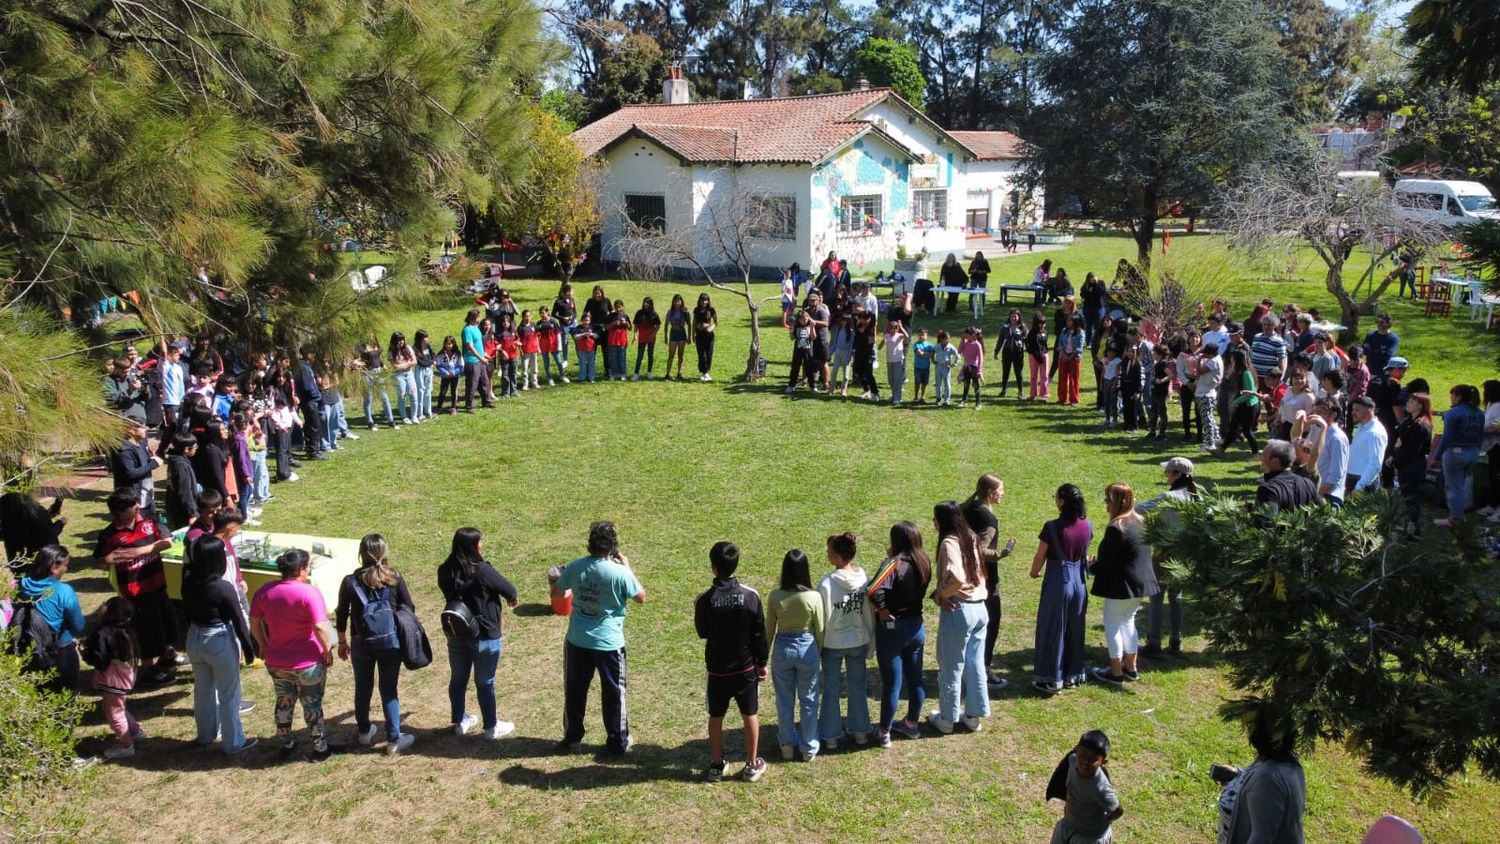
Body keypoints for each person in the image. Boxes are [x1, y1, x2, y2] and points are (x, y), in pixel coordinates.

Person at [552, 521, 645, 755]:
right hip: (609, 643)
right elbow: (641, 597)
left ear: (590, 543)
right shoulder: (620, 572)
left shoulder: (575, 567)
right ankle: (617, 741)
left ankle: (572, 738)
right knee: (614, 692)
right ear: (613, 546)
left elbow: (558, 592)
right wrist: (628, 567)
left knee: (574, 690)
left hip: (577, 641)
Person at [250, 548, 338, 761]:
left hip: (277, 661)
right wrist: (327, 651)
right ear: (300, 570)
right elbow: (320, 627)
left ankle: (286, 743)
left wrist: (263, 644)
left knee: (283, 700)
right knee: (312, 703)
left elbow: (254, 621)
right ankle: (320, 747)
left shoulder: (265, 591)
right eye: (307, 567)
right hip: (307, 662)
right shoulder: (308, 593)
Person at [694, 541, 769, 781]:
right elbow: (759, 633)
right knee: (750, 714)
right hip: (745, 667)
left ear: (713, 567)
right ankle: (751, 763)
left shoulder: (704, 600)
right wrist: (762, 662)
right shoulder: (750, 596)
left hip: (717, 670)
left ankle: (716, 764)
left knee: (716, 716)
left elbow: (702, 631)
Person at [337, 534, 417, 754]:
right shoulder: (394, 578)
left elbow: (342, 612)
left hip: (360, 641)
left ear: (361, 554)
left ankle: (364, 731)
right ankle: (393, 739)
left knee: (363, 687)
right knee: (388, 689)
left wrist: (342, 641)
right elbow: (408, 606)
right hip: (390, 641)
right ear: (384, 552)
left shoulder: (350, 582)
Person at [439, 527, 519, 740]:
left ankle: (460, 720)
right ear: (473, 545)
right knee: (485, 681)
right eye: (480, 541)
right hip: (484, 634)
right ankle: (491, 727)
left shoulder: (444, 570)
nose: (482, 544)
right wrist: (511, 601)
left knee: (458, 678)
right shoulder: (482, 570)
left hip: (456, 632)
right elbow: (510, 591)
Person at [93, 489, 179, 685]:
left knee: (168, 623)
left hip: (158, 584)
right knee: (146, 632)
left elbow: (167, 541)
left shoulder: (148, 521)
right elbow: (97, 561)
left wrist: (140, 551)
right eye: (133, 506)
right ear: (119, 512)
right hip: (136, 593)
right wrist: (107, 560)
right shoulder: (110, 535)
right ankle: (148, 671)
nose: (138, 507)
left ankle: (167, 656)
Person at [182, 535, 258, 755]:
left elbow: (186, 611)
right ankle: (234, 742)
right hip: (218, 639)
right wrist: (249, 648)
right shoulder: (222, 587)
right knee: (229, 693)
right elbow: (238, 620)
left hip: (195, 636)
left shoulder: (189, 581)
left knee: (203, 690)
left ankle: (205, 735)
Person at [927, 501, 990, 735]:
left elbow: (957, 577)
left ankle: (947, 718)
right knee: (975, 664)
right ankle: (973, 716)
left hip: (959, 610)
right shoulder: (970, 537)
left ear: (942, 521)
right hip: (980, 608)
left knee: (951, 664)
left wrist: (940, 594)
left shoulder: (948, 542)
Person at [866, 521, 931, 747]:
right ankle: (911, 723)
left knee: (892, 683)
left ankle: (884, 731)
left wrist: (883, 610)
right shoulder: (923, 561)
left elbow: (873, 590)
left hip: (893, 630)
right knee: (915, 679)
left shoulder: (894, 564)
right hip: (916, 627)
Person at [811, 532, 874, 752]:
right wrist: (870, 637)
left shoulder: (826, 584)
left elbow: (821, 618)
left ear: (837, 556)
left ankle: (830, 735)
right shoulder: (863, 579)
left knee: (830, 687)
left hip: (832, 643)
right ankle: (860, 732)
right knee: (858, 685)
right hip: (857, 639)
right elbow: (868, 612)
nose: (827, 555)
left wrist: (818, 643)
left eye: (829, 552)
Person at [1090, 484, 1159, 685]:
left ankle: (1116, 672)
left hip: (1121, 586)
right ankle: (1131, 667)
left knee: (1112, 625)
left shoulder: (1116, 528)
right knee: (1128, 622)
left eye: (1108, 500)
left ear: (1117, 502)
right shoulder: (1141, 522)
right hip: (1140, 584)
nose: (1106, 504)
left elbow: (1106, 562)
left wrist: (1090, 566)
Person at [1030, 484, 1092, 695]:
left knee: (1052, 629)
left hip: (1059, 581)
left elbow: (1040, 556)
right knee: (1075, 629)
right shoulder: (1087, 526)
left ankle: (1051, 677)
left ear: (1062, 501)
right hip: (1080, 582)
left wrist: (1033, 572)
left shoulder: (1052, 527)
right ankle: (1072, 675)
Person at [764, 548, 825, 762]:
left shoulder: (775, 596)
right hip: (807, 647)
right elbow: (820, 629)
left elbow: (769, 629)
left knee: (784, 700)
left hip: (782, 648)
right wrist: (820, 652)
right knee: (809, 699)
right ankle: (808, 747)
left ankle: (787, 745)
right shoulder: (813, 596)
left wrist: (762, 658)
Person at [1215, 709, 1306, 844]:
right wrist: (1237, 776)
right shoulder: (1288, 762)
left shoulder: (1269, 778)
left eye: (1252, 726)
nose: (1249, 728)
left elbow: (1262, 837)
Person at [14, 545, 86, 692]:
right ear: (54, 567)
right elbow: (79, 625)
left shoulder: (19, 585)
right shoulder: (63, 591)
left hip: (28, 651)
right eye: (65, 565)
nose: (66, 569)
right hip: (59, 651)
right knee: (64, 696)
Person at [85, 597, 143, 759]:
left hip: (112, 681)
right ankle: (135, 731)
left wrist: (84, 652)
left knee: (114, 713)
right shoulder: (127, 631)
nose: (101, 606)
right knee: (119, 707)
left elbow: (97, 657)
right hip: (124, 679)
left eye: (106, 604)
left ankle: (126, 745)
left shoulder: (105, 634)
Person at [1047, 730, 1123, 844]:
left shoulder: (1101, 788)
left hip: (1089, 836)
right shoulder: (1072, 760)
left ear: (1103, 762)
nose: (1085, 762)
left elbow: (1118, 811)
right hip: (1069, 824)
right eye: (1082, 754)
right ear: (1076, 750)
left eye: (1093, 759)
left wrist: (1104, 822)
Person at [1432, 384, 1485, 527]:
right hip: (1473, 452)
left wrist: (1437, 456)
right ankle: (1460, 513)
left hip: (1455, 454)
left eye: (1452, 395)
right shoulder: (1479, 413)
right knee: (1462, 485)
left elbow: (1447, 437)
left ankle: (1455, 518)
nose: (1451, 398)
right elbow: (1481, 435)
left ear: (1459, 396)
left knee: (1454, 487)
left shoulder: (1453, 413)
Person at [1389, 393, 1433, 534]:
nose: (1408, 403)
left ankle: (1413, 529)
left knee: (1411, 497)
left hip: (1412, 465)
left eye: (1412, 401)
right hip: (1408, 463)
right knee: (1408, 497)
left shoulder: (1419, 425)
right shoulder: (1410, 421)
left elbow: (1410, 450)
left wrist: (1395, 459)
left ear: (1420, 405)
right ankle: (1409, 525)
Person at [1255, 440, 1318, 522]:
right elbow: (1324, 509)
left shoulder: (1268, 490)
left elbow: (1266, 524)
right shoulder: (1308, 484)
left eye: (1263, 455)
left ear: (1275, 462)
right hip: (1303, 534)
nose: (1261, 458)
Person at [1217, 349, 1261, 456]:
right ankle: (1221, 450)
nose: (1231, 361)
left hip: (1249, 406)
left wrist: (1234, 402)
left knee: (1246, 431)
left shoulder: (1246, 373)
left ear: (1237, 360)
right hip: (1243, 405)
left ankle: (1255, 453)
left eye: (1232, 359)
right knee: (1232, 427)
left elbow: (1250, 393)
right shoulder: (1241, 372)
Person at [1346, 396, 1389, 496]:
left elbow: (1375, 464)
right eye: (1353, 409)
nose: (1353, 413)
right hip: (1354, 480)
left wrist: (1359, 487)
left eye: (1357, 410)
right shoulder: (1363, 427)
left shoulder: (1374, 433)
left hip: (1362, 483)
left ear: (1369, 410)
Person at [461, 309, 494, 411]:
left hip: (480, 360)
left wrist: (485, 355)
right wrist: (481, 358)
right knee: (472, 384)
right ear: (474, 318)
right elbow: (470, 347)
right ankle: (469, 406)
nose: (480, 318)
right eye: (479, 317)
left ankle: (486, 401)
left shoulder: (476, 328)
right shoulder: (467, 330)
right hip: (472, 361)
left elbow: (478, 345)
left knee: (484, 381)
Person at [995, 309, 1027, 397]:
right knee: (1005, 371)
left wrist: (1029, 350)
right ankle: (1003, 390)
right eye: (1012, 316)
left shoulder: (1023, 327)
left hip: (1018, 353)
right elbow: (1000, 340)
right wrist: (996, 351)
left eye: (1015, 316)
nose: (1013, 318)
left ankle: (1020, 392)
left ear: (1019, 317)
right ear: (1009, 317)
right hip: (1007, 352)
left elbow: (1027, 340)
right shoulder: (1005, 327)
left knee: (1018, 372)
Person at [388, 332, 418, 425]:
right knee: (401, 396)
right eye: (398, 340)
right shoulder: (391, 352)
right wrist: (407, 364)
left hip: (409, 374)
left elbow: (415, 361)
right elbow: (395, 366)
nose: (401, 342)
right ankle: (404, 417)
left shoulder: (408, 348)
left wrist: (404, 365)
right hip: (399, 376)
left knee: (413, 395)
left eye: (402, 340)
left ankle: (414, 416)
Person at [1481, 380, 1500, 522]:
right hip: (1491, 446)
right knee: (1492, 476)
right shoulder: (1491, 406)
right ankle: (1492, 504)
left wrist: (1485, 431)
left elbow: (1498, 426)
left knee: (1497, 477)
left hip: (1497, 445)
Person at [880, 319, 910, 406]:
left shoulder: (899, 335)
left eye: (895, 328)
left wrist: (901, 327)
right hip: (889, 361)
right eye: (891, 328)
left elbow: (907, 336)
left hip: (898, 360)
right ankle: (894, 395)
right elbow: (879, 347)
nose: (893, 330)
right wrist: (882, 342)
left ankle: (897, 398)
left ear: (897, 329)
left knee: (897, 380)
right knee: (891, 379)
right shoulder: (887, 336)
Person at [852, 312, 880, 401]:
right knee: (858, 372)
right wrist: (860, 315)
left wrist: (867, 312)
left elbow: (873, 316)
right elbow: (853, 316)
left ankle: (875, 393)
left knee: (869, 373)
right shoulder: (858, 325)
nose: (863, 320)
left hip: (868, 352)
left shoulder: (870, 326)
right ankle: (866, 390)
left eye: (865, 318)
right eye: (861, 318)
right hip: (858, 352)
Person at [631, 297, 661, 381]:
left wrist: (653, 334)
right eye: (644, 302)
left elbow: (658, 325)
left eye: (647, 302)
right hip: (642, 337)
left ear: (651, 304)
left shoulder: (654, 313)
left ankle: (649, 372)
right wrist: (635, 335)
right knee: (640, 355)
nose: (645, 304)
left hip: (651, 337)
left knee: (650, 355)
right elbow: (636, 325)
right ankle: (636, 373)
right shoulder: (639, 313)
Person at [1057, 316, 1084, 406]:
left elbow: (1079, 347)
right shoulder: (1064, 331)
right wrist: (1064, 354)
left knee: (1073, 379)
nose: (1068, 322)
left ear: (1075, 322)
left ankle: (1074, 399)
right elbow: (1060, 344)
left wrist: (1071, 356)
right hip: (1063, 356)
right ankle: (1062, 398)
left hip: (1075, 358)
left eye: (1070, 321)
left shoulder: (1080, 332)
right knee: (1062, 378)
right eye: (1068, 320)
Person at [434, 335, 464, 415]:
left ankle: (453, 407)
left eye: (450, 344)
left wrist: (455, 372)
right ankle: (439, 407)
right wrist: (444, 372)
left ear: (453, 344)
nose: (448, 345)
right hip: (445, 376)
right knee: (443, 392)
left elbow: (461, 365)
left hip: (454, 376)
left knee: (454, 391)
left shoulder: (458, 353)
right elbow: (438, 365)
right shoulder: (440, 354)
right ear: (444, 344)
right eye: (447, 344)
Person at [664, 293, 691, 381]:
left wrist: (689, 337)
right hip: (673, 334)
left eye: (679, 301)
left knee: (680, 354)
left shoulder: (685, 311)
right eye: (676, 301)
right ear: (673, 302)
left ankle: (679, 373)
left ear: (681, 302)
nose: (677, 303)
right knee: (671, 355)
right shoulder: (670, 312)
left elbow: (689, 324)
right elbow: (666, 324)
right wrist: (666, 336)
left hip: (682, 334)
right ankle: (667, 374)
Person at [693, 293, 718, 381]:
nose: (704, 302)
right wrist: (693, 333)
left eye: (706, 300)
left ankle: (706, 372)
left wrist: (711, 327)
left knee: (709, 354)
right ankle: (703, 372)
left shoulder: (711, 310)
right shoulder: (696, 310)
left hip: (709, 336)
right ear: (699, 301)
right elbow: (694, 322)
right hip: (699, 335)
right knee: (701, 354)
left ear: (708, 301)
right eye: (702, 300)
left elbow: (716, 322)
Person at [958, 326, 984, 409]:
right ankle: (964, 400)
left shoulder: (977, 345)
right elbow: (959, 351)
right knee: (966, 384)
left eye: (967, 334)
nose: (965, 336)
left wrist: (979, 371)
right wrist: (962, 341)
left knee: (976, 385)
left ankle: (978, 403)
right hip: (966, 367)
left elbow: (981, 359)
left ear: (973, 335)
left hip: (974, 368)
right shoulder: (965, 342)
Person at [1027, 312, 1051, 401]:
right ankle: (1033, 394)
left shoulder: (1045, 332)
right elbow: (1030, 347)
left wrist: (1044, 355)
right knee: (1033, 375)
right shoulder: (1032, 334)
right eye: (1040, 323)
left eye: (1044, 323)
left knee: (1044, 375)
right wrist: (1037, 356)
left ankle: (1044, 394)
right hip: (1034, 356)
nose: (1042, 325)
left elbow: (1044, 344)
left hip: (1044, 354)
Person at [933, 329, 959, 407]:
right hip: (938, 366)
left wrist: (953, 364)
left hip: (946, 367)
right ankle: (938, 398)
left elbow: (957, 356)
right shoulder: (937, 346)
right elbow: (932, 352)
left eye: (949, 338)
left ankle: (947, 399)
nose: (948, 340)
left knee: (947, 384)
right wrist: (933, 360)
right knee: (938, 383)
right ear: (941, 339)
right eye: (946, 338)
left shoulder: (951, 347)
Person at [572, 313, 598, 383]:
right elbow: (575, 337)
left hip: (591, 348)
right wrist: (583, 334)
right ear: (582, 320)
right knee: (582, 363)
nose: (586, 322)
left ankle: (591, 377)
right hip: (581, 349)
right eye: (585, 320)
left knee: (591, 363)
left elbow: (596, 336)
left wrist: (592, 334)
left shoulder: (592, 327)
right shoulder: (578, 328)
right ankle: (582, 377)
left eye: (588, 320)